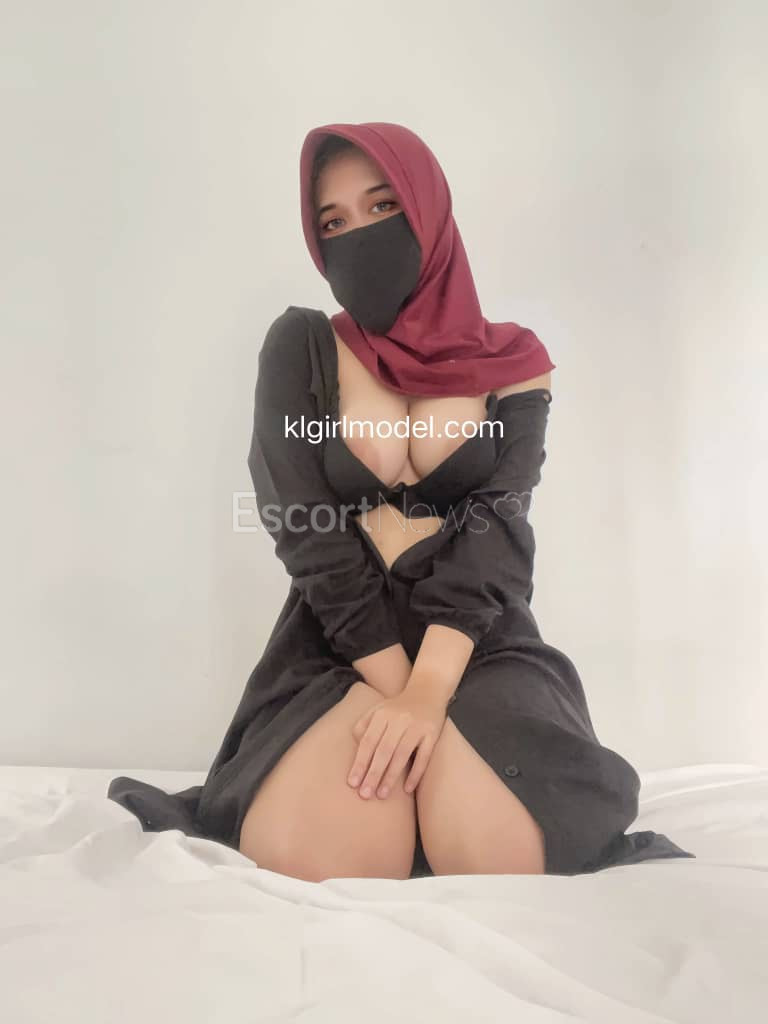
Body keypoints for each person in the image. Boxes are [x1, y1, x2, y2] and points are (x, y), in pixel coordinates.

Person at [108, 121, 695, 881]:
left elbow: (499, 524)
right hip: (339, 638)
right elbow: (301, 522)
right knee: (323, 857)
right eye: (332, 222)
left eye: (382, 206)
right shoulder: (302, 346)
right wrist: (403, 696)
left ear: (427, 208)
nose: (358, 234)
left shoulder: (514, 361)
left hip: (476, 636)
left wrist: (433, 693)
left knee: (496, 856)